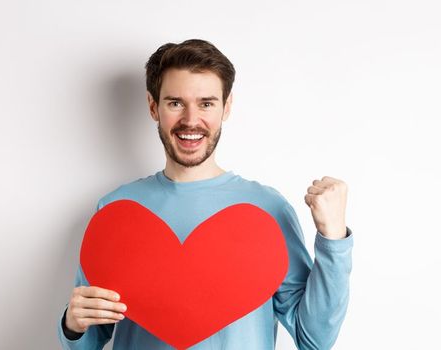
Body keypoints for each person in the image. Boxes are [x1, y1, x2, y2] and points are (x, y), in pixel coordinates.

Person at [58, 39, 353, 350]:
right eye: (175, 103)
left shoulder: (268, 210)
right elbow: (87, 342)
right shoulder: (117, 210)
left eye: (206, 103)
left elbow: (315, 340)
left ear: (226, 107)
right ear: (153, 106)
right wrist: (73, 325)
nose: (190, 120)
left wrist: (333, 240)